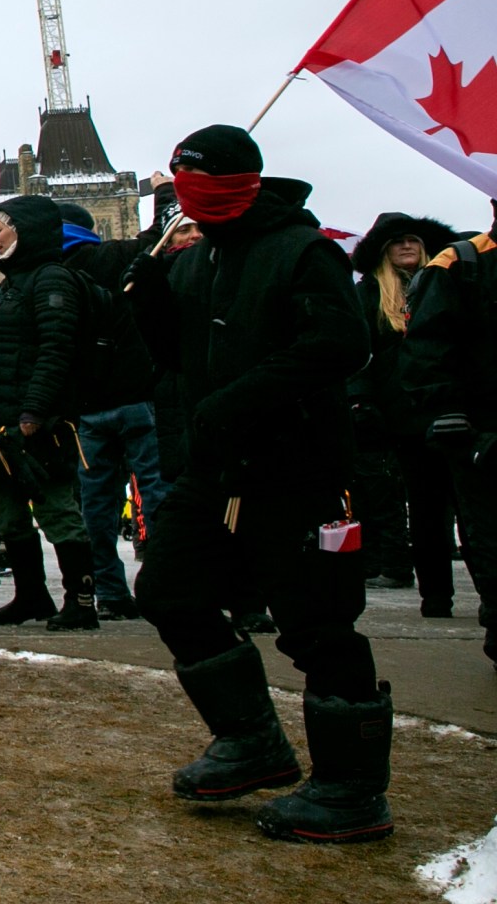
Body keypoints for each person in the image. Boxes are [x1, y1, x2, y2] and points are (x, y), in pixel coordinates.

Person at [127, 125, 387, 844]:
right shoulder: (192, 259)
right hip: (215, 470)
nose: (191, 202)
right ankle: (250, 741)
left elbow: (340, 343)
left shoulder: (301, 251)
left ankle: (352, 786)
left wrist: (243, 397)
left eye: (201, 186)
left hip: (296, 467)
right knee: (170, 590)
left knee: (317, 624)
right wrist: (147, 301)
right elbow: (174, 358)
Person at [0, 195, 98, 632]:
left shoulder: (51, 279)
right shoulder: (13, 285)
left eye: (0, 227)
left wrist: (36, 410)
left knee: (56, 508)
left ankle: (81, 600)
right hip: (0, 422)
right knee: (6, 511)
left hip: (38, 420)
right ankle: (31, 594)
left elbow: (57, 350)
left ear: (24, 230)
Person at [58, 196, 169, 622]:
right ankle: (163, 585)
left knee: (96, 508)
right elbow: (162, 234)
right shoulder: (119, 255)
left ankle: (111, 591)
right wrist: (163, 193)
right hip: (138, 397)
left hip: (87, 407)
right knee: (156, 497)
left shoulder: (52, 276)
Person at [392, 209, 497, 657]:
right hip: (481, 429)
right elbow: (428, 345)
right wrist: (447, 410)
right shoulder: (461, 263)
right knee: (484, 528)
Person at [346, 212, 458, 598]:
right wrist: (360, 400)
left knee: (462, 506)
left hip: (450, 407)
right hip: (397, 414)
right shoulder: (369, 295)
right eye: (396, 241)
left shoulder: (448, 284)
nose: (406, 246)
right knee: (420, 505)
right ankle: (435, 595)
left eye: (412, 239)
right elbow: (356, 353)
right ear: (383, 251)